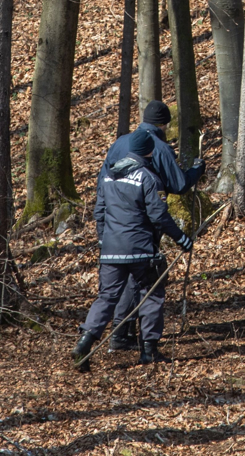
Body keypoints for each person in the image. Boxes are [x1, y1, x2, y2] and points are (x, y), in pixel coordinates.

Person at [72, 130, 193, 371]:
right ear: (149, 151)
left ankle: (85, 343)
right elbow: (158, 215)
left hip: (110, 250)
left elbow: (100, 213)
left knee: (106, 297)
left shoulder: (108, 176)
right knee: (152, 293)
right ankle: (149, 351)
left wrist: (103, 241)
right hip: (140, 250)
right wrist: (181, 238)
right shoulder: (148, 178)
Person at [96, 100, 205, 353]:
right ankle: (128, 337)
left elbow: (102, 182)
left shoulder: (120, 142)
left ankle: (117, 333)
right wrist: (197, 171)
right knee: (141, 279)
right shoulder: (158, 146)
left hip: (113, 221)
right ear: (164, 124)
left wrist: (102, 225)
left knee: (118, 281)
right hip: (141, 226)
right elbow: (178, 185)